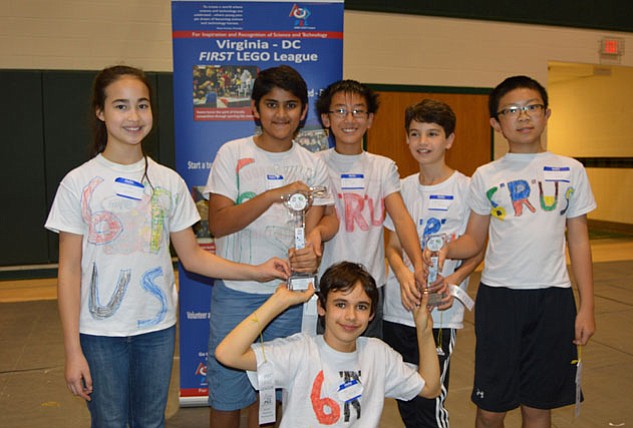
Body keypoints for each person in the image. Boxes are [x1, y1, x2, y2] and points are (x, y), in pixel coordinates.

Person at [44, 65, 291, 428]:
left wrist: (258, 271)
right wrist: (72, 351)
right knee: (109, 422)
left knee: (150, 422)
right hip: (99, 335)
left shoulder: (168, 182)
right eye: (121, 106)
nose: (134, 116)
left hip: (156, 332)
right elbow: (68, 271)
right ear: (100, 111)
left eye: (142, 105)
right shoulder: (78, 183)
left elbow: (193, 258)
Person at [433, 76, 596, 428]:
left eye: (532, 107)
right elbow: (474, 241)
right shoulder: (486, 175)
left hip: (553, 300)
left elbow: (579, 240)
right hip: (500, 301)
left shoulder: (571, 170)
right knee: (491, 410)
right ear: (496, 123)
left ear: (546, 113)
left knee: (538, 409)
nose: (523, 117)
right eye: (512, 110)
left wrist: (586, 307)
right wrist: (443, 248)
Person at [204, 65, 338, 428]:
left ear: (303, 111)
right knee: (228, 396)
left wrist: (314, 247)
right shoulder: (232, 154)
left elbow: (320, 226)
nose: (282, 114)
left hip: (290, 296)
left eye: (291, 105)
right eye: (272, 104)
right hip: (237, 293)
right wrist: (272, 195)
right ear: (254, 109)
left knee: (277, 395)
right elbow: (218, 223)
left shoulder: (313, 165)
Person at [215, 261, 441, 427]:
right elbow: (227, 354)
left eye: (361, 307)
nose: (351, 316)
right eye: (341, 304)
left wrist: (424, 329)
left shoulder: (378, 354)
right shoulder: (300, 351)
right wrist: (277, 302)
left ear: (372, 314)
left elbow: (430, 389)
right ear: (321, 307)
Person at [384, 99, 485, 428]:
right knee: (405, 394)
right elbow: (393, 246)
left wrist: (453, 281)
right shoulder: (400, 188)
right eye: (415, 134)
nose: (422, 142)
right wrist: (402, 275)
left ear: (450, 139)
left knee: (430, 399)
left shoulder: (467, 188)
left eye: (432, 134)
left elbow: (478, 248)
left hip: (440, 311)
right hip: (398, 309)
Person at [315, 80, 424, 338]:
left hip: (372, 285)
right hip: (327, 286)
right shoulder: (315, 164)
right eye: (340, 111)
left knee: (368, 364)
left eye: (358, 111)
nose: (349, 119)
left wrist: (418, 264)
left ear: (370, 119)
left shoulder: (383, 167)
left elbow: (402, 219)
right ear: (326, 119)